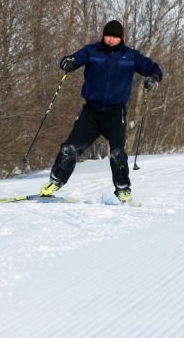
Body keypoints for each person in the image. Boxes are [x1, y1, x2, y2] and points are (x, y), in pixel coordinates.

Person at [39, 20, 163, 203]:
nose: (111, 40)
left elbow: (154, 69)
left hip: (115, 114)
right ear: (103, 36)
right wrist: (68, 62)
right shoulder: (92, 51)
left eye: (115, 37)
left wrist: (153, 78)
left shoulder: (130, 56)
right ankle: (55, 182)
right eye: (108, 36)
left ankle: (123, 190)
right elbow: (72, 59)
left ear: (120, 38)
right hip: (91, 112)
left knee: (117, 153)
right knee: (69, 148)